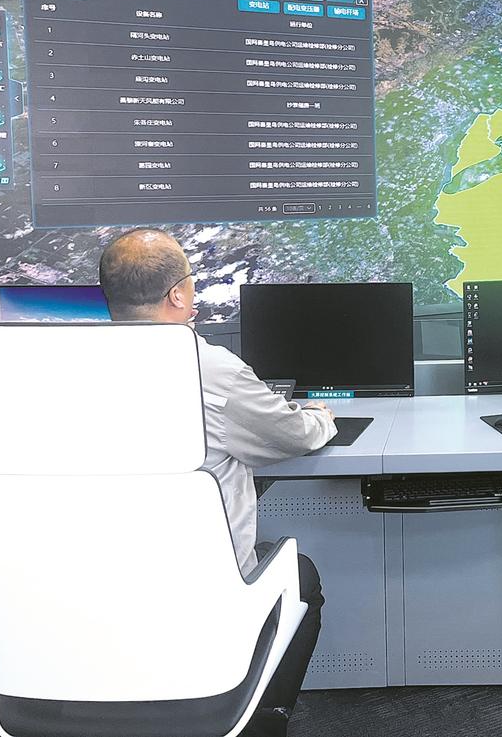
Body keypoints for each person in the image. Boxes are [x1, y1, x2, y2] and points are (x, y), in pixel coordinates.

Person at [98, 228, 336, 728]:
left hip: (99, 596)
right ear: (177, 295)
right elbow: (293, 436)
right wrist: (319, 415)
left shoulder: (66, 368)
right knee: (303, 577)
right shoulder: (208, 368)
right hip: (203, 600)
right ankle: (258, 720)